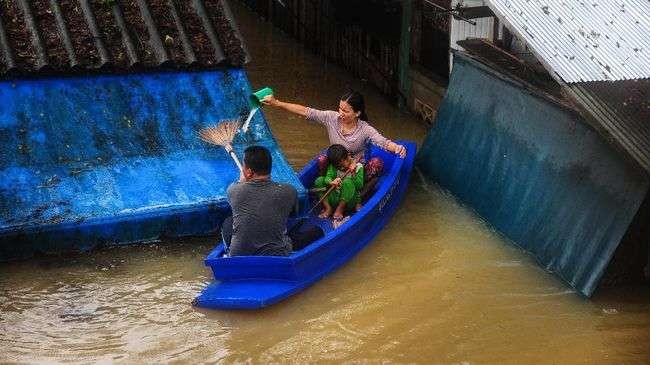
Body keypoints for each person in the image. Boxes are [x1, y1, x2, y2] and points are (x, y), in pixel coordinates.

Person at [261, 89, 407, 161]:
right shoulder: (331, 118)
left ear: (357, 113)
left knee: (376, 165)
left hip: (355, 169)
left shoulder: (365, 130)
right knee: (322, 161)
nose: (341, 113)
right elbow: (306, 111)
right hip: (336, 164)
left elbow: (382, 142)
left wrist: (397, 148)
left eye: (346, 111)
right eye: (340, 109)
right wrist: (277, 103)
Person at [221, 145, 297, 256]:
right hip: (278, 254)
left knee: (228, 222)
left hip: (239, 255)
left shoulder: (233, 190)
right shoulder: (289, 190)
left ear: (249, 172)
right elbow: (293, 216)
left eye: (243, 165)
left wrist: (242, 181)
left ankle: (229, 256)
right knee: (314, 231)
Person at [314, 144, 364, 219]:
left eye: (343, 164)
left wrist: (353, 173)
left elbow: (359, 186)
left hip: (349, 200)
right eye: (338, 166)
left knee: (347, 182)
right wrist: (331, 182)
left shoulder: (359, 167)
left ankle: (340, 209)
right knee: (319, 180)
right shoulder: (333, 166)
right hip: (335, 197)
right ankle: (328, 208)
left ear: (348, 156)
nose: (341, 168)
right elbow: (327, 178)